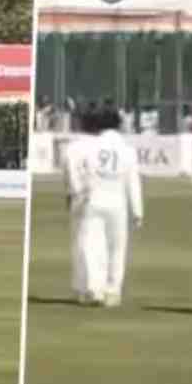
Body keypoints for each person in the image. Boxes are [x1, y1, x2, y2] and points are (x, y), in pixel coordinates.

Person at [72, 107, 143, 308]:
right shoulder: (127, 149)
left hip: (93, 200)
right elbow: (133, 182)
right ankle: (113, 291)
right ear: (118, 125)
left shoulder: (90, 148)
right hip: (117, 203)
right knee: (117, 249)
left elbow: (82, 174)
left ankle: (95, 289)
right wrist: (137, 211)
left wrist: (79, 194)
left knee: (93, 246)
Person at [63, 110, 97, 304]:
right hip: (99, 196)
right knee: (95, 243)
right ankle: (95, 286)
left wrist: (70, 196)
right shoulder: (101, 147)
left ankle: (82, 287)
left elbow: (68, 175)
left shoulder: (73, 147)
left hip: (79, 197)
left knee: (80, 243)